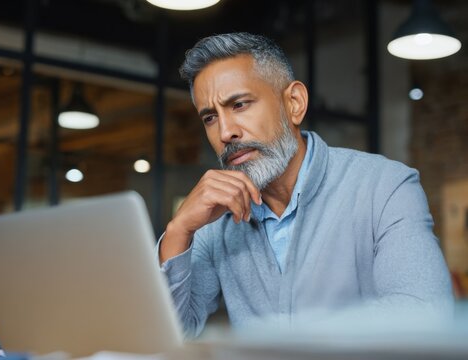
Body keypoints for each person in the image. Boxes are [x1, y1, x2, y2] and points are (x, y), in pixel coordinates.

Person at [156, 32, 453, 338]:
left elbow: (425, 313)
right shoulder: (215, 219)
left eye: (240, 105)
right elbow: (168, 336)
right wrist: (179, 230)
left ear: (294, 103)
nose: (226, 132)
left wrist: (285, 343)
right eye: (210, 118)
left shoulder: (385, 186)